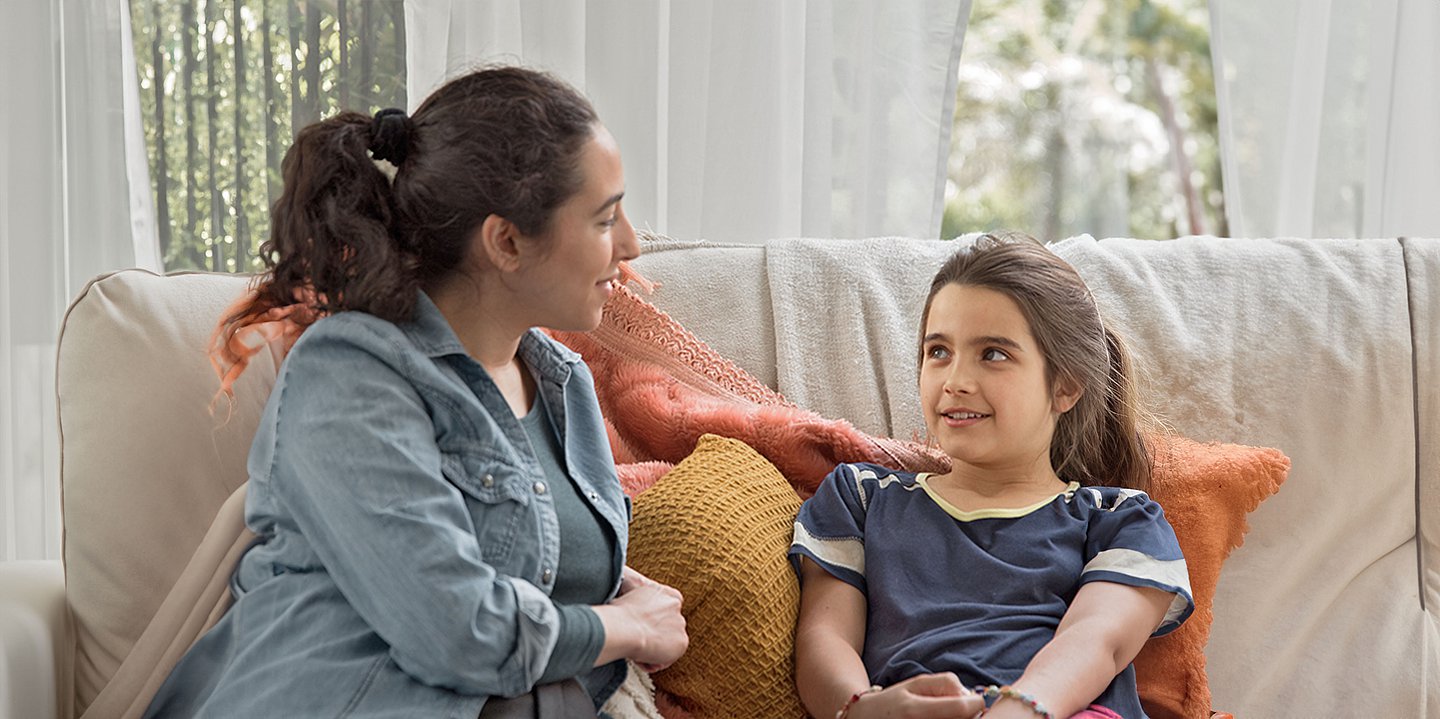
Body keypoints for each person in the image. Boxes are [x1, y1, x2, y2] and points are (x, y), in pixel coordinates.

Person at [145, 66, 687, 719]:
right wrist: (628, 627)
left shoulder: (563, 384)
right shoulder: (349, 376)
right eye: (605, 219)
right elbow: (458, 631)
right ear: (507, 242)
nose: (631, 244)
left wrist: (619, 590)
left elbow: (531, 563)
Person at [790, 233, 1193, 719]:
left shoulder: (1120, 519)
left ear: (1065, 386)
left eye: (993, 354)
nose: (956, 381)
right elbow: (823, 636)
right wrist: (862, 708)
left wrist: (1017, 711)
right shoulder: (861, 498)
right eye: (939, 351)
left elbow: (1097, 642)